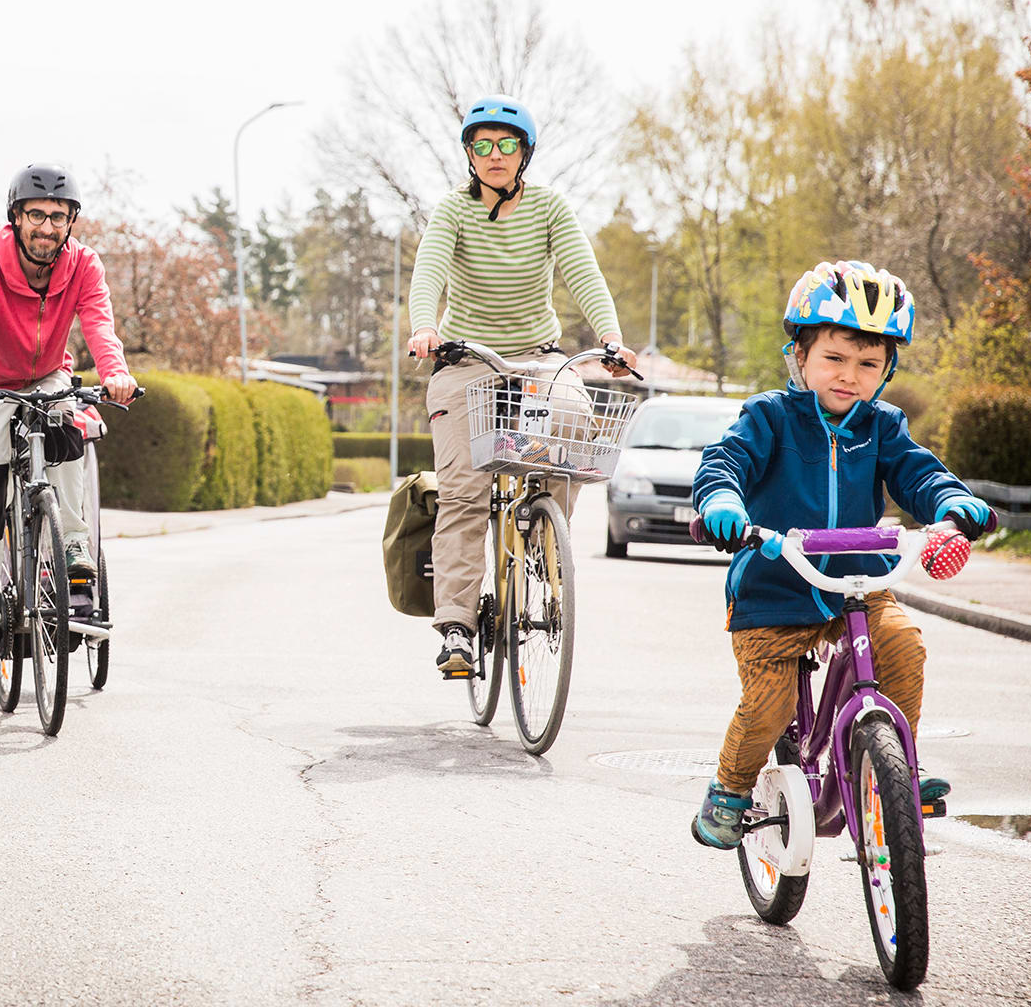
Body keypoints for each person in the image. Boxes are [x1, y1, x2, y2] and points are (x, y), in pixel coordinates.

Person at [687, 260, 993, 849]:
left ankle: (899, 763)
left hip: (856, 581)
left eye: (868, 364)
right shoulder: (770, 417)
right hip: (774, 588)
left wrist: (955, 505)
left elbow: (921, 475)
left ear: (887, 371)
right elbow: (725, 461)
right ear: (799, 355)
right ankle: (729, 787)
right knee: (770, 706)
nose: (850, 376)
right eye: (834, 358)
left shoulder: (882, 428)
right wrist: (724, 501)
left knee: (902, 642)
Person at [405, 93, 635, 676]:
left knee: (576, 424)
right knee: (462, 491)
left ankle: (538, 540)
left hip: (537, 358)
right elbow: (430, 267)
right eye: (482, 146)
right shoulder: (453, 211)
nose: (495, 154)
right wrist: (425, 327)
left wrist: (610, 339)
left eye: (507, 144)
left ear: (524, 153)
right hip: (464, 359)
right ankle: (456, 625)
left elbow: (583, 271)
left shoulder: (550, 209)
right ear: (469, 156)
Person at [0, 164, 136, 678]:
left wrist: (116, 374)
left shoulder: (84, 265)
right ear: (16, 216)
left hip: (48, 377)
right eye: (37, 216)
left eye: (59, 217)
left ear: (71, 222)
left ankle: (70, 540)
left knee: (69, 432)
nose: (47, 228)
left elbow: (99, 325)